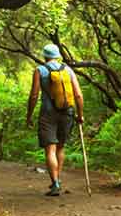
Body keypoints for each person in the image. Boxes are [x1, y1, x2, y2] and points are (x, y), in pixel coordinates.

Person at [26, 43, 84, 197]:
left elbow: (33, 95)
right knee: (60, 147)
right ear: (57, 55)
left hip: (48, 113)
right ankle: (57, 179)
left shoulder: (40, 70)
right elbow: (78, 95)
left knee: (50, 149)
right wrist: (80, 115)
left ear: (45, 56)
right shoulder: (68, 70)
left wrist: (29, 115)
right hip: (67, 113)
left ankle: (56, 183)